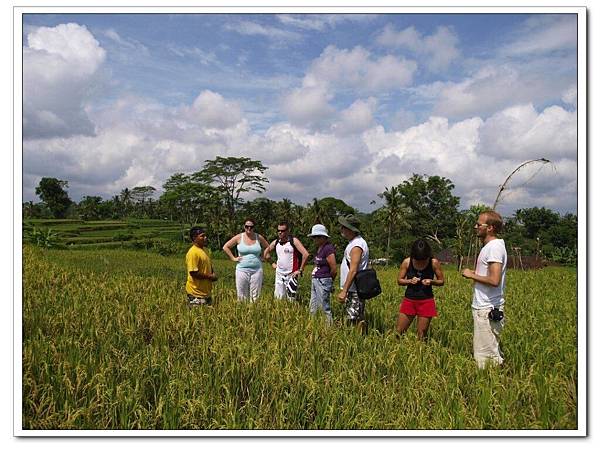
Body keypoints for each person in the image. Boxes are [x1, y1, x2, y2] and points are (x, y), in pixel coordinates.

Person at [462, 210, 508, 369]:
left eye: (478, 224)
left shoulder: (494, 248)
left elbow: (494, 280)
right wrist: (476, 274)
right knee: (489, 354)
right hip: (484, 307)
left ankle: (494, 387)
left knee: (485, 359)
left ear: (490, 228)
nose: (475, 227)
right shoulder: (490, 247)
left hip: (486, 308)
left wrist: (470, 275)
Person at [396, 239, 444, 340]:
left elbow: (441, 281)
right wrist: (409, 281)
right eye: (418, 259)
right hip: (409, 300)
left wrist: (431, 281)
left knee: (421, 336)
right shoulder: (407, 262)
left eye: (423, 259)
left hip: (426, 301)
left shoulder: (433, 262)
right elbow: (399, 280)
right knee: (399, 332)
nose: (421, 261)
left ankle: (420, 352)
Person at [222, 218, 270, 302]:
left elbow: (267, 247)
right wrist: (233, 258)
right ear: (244, 227)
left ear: (254, 227)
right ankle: (242, 312)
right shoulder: (239, 237)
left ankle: (254, 312)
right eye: (247, 226)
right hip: (242, 269)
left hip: (257, 270)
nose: (249, 229)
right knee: (241, 295)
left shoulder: (258, 237)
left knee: (255, 295)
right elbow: (226, 247)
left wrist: (263, 257)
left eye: (251, 227)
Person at [337, 214, 369, 334]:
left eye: (343, 227)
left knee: (354, 320)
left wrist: (344, 290)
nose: (342, 230)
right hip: (352, 288)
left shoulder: (357, 245)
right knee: (351, 318)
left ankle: (358, 342)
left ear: (350, 229)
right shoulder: (354, 243)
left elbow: (353, 270)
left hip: (354, 289)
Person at [264, 221, 310, 301]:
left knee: (291, 300)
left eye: (282, 231)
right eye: (278, 230)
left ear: (288, 231)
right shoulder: (276, 242)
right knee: (278, 299)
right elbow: (265, 253)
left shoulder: (293, 241)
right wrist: (272, 263)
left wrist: (300, 270)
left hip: (291, 275)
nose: (280, 232)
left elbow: (305, 254)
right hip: (279, 274)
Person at [307, 224, 337, 324]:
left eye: (317, 237)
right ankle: (313, 326)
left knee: (324, 307)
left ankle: (328, 329)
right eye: (314, 237)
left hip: (323, 279)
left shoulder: (328, 248)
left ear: (324, 237)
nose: (315, 239)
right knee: (313, 306)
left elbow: (333, 268)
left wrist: (329, 281)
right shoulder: (320, 248)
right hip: (316, 278)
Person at [185, 226, 217, 308]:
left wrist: (213, 273)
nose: (205, 238)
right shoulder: (193, 253)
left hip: (206, 293)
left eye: (205, 236)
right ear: (195, 238)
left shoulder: (205, 250)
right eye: (202, 236)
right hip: (196, 294)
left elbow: (209, 265)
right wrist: (210, 277)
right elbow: (193, 273)